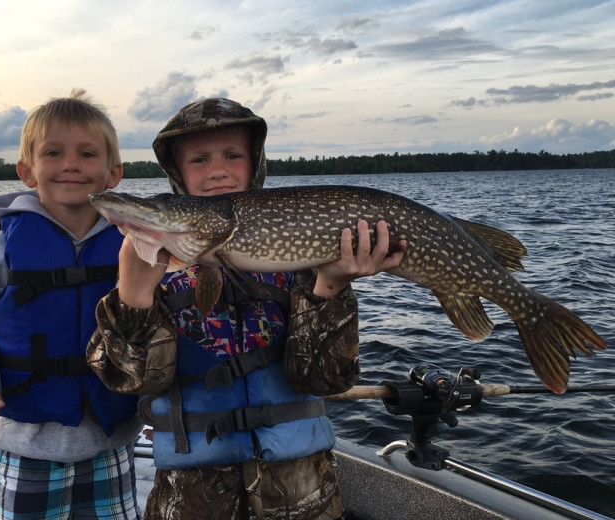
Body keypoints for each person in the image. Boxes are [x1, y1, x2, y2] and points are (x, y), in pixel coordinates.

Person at [88, 98, 406, 519]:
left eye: (232, 155)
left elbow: (326, 379)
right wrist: (132, 297)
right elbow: (133, 380)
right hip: (191, 500)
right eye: (199, 159)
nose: (217, 169)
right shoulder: (154, 269)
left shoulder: (303, 268)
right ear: (178, 176)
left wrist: (331, 286)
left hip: (303, 496)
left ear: (254, 163)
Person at [0, 89, 143, 520]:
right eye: (54, 153)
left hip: (111, 442)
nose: (70, 164)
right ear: (27, 172)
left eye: (87, 153)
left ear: (113, 172)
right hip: (27, 449)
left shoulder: (135, 245)